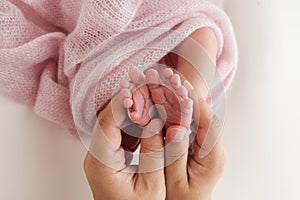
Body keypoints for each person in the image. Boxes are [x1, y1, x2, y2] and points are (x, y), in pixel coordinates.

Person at [84, 28, 228, 200]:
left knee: (107, 101)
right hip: (176, 33)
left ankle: (135, 108)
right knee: (202, 35)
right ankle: (189, 98)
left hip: (116, 54)